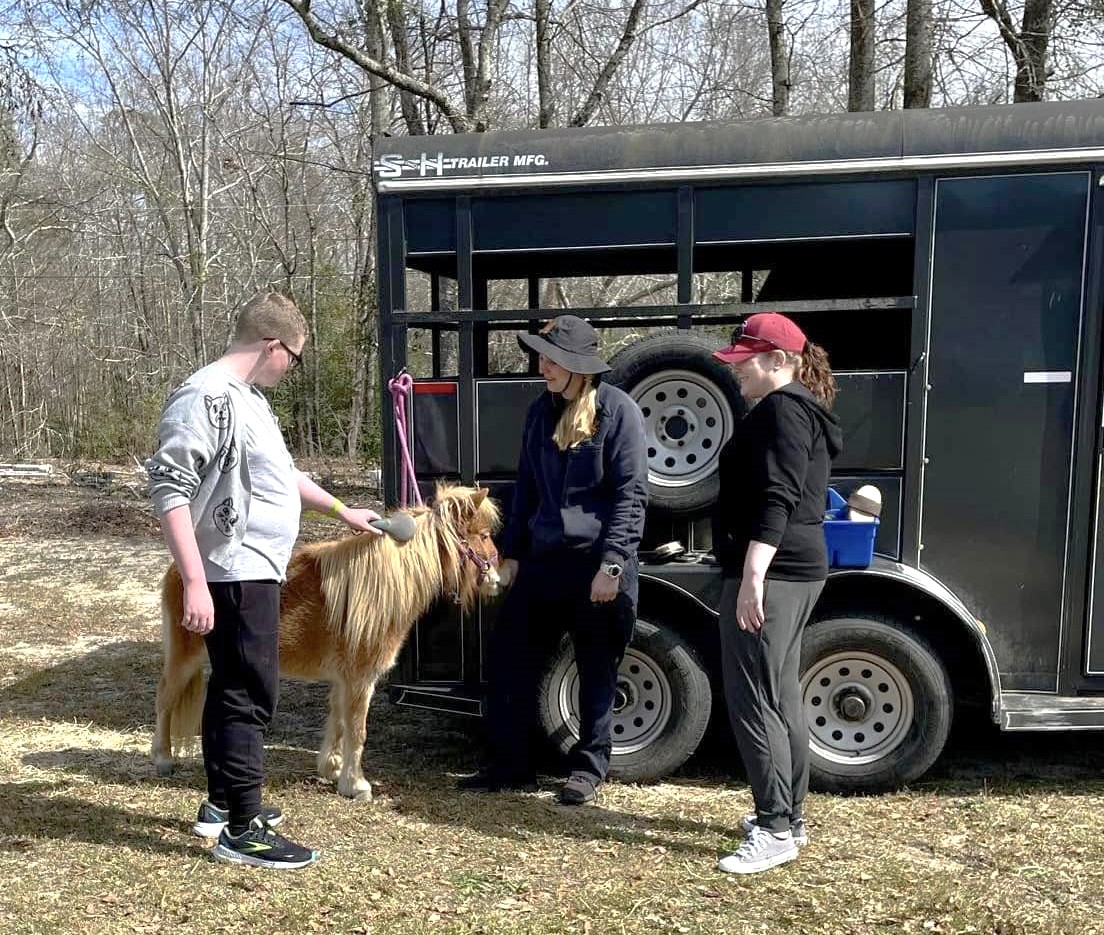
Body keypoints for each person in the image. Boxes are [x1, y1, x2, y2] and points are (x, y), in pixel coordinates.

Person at [146, 291, 382, 870]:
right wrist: (195, 581)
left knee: (234, 685)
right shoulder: (203, 398)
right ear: (273, 345)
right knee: (251, 692)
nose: (292, 370)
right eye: (294, 358)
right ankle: (244, 830)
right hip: (231, 570)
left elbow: (284, 474)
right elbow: (170, 489)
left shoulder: (248, 400)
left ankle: (222, 803)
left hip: (257, 569)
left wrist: (342, 511)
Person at [458, 316, 648, 805]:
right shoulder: (540, 412)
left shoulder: (618, 411)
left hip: (596, 568)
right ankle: (511, 766)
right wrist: (514, 555)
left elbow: (631, 496)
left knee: (596, 668)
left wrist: (613, 567)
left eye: (550, 358)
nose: (541, 366)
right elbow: (527, 489)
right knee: (509, 659)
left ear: (577, 367)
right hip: (543, 561)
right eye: (541, 356)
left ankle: (589, 769)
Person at [710, 312, 842, 875]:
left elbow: (778, 498)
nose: (737, 371)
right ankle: (790, 815)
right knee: (781, 692)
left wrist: (752, 577)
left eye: (745, 362)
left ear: (778, 362)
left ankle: (775, 828)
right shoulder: (800, 409)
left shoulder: (783, 412)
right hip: (798, 567)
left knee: (754, 698)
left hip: (776, 570)